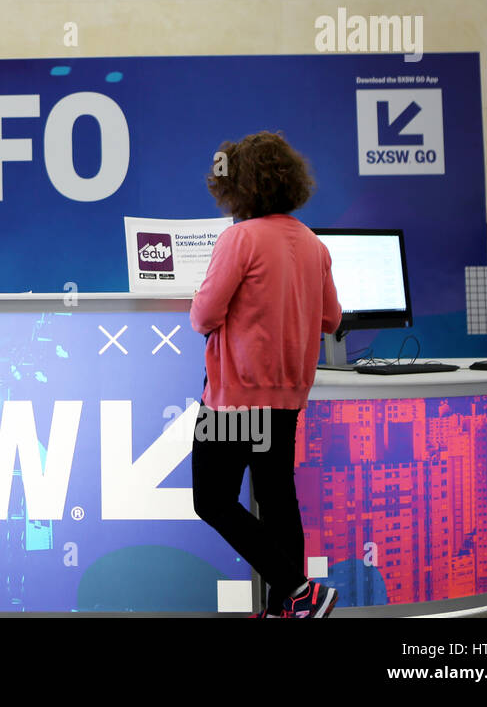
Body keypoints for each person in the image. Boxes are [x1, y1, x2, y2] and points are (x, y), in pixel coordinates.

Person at [189, 131, 342, 618]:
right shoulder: (313, 243)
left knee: (212, 500)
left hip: (234, 398)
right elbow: (332, 319)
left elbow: (203, 316)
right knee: (278, 500)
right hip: (288, 397)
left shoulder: (240, 237)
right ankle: (286, 609)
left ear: (240, 187)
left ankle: (299, 591)